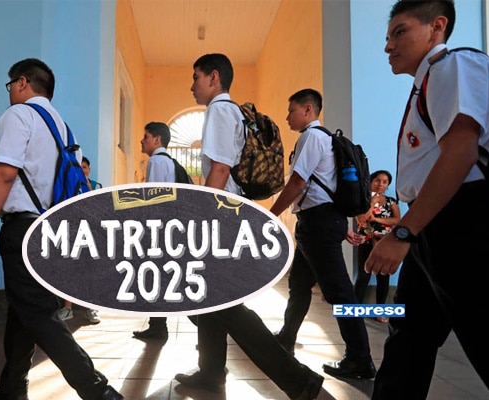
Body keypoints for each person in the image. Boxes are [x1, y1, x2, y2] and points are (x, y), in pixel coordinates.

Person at [366, 1, 489, 399]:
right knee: (410, 334)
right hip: (437, 222)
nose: (389, 46)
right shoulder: (430, 81)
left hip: (458, 221)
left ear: (437, 27)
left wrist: (405, 231)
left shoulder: (452, 65)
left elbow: (460, 154)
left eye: (400, 32)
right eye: (388, 37)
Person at [0, 58, 123, 400]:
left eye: (10, 85)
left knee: (37, 313)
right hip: (54, 230)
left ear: (22, 82)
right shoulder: (64, 129)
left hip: (25, 229)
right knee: (24, 308)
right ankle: (12, 386)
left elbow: (4, 174)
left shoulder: (18, 115)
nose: (10, 92)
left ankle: (99, 392)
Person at [174, 53, 324, 400]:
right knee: (210, 300)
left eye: (196, 77)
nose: (192, 85)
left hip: (220, 216)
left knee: (225, 306)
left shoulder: (219, 111)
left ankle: (299, 379)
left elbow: (220, 170)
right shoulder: (233, 112)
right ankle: (211, 372)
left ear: (213, 77)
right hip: (231, 212)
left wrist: (199, 216)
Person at [269, 88, 376, 380]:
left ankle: (360, 359)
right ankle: (287, 336)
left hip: (318, 224)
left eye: (291, 110)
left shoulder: (312, 137)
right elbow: (324, 188)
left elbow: (298, 183)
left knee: (340, 293)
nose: (287, 117)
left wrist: (271, 213)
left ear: (308, 109)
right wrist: (339, 227)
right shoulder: (321, 138)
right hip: (319, 222)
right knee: (299, 284)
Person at [131, 121, 176, 341]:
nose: (142, 141)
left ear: (157, 139)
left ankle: (159, 328)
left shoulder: (157, 161)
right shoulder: (167, 161)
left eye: (146, 137)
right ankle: (158, 326)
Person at [56, 156, 103, 325]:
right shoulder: (69, 185)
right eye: (80, 167)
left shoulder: (96, 186)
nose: (82, 170)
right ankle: (67, 308)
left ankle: (91, 308)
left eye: (85, 167)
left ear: (89, 170)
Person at [352, 170, 400, 322]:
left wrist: (377, 220)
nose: (380, 184)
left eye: (385, 182)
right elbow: (361, 219)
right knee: (363, 276)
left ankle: (380, 312)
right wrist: (372, 203)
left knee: (383, 276)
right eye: (377, 180)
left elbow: (397, 220)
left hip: (384, 243)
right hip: (366, 241)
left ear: (388, 185)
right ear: (371, 182)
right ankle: (355, 312)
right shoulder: (362, 201)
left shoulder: (391, 202)